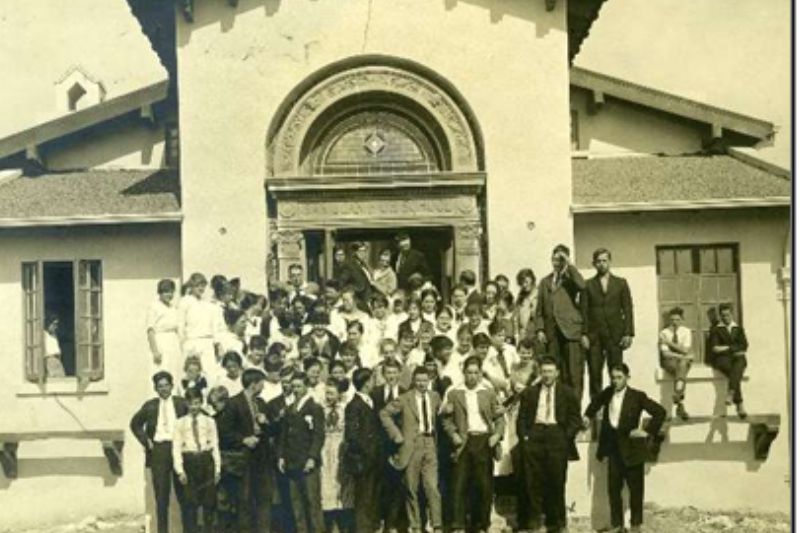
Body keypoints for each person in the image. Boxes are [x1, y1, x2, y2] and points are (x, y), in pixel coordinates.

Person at [583, 363, 666, 533]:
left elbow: (660, 412)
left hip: (632, 449)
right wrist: (587, 415)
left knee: (636, 490)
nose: (615, 381)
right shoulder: (608, 393)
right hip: (613, 448)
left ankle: (635, 526)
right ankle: (617, 525)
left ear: (627, 377)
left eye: (619, 377)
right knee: (613, 489)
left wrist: (646, 431)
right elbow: (595, 403)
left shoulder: (637, 396)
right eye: (613, 378)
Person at [516, 356, 582, 533]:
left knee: (557, 481)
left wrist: (564, 436)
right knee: (533, 481)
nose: (546, 375)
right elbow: (521, 419)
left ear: (557, 373)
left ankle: (558, 523)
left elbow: (576, 419)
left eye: (550, 371)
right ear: (540, 373)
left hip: (556, 436)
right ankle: (535, 522)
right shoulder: (530, 392)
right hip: (535, 436)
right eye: (544, 371)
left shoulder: (567, 393)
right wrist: (525, 438)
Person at [442, 355, 505, 533]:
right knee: (459, 484)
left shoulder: (488, 392)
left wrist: (497, 435)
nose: (472, 376)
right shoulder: (454, 393)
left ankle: (481, 524)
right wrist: (453, 434)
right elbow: (446, 420)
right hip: (463, 440)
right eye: (469, 372)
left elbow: (499, 418)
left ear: (480, 374)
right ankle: (458, 525)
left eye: (476, 372)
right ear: (464, 373)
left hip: (484, 440)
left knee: (484, 485)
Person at [380, 366, 443, 533]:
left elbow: (443, 415)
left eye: (425, 380)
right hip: (411, 446)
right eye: (418, 381)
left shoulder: (435, 397)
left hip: (430, 443)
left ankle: (436, 524)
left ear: (429, 381)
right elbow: (384, 414)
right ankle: (415, 525)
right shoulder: (404, 399)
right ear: (413, 381)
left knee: (432, 486)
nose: (422, 384)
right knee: (411, 487)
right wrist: (396, 435)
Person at [130, 371, 189, 533]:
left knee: (184, 494)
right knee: (162, 497)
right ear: (156, 388)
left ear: (172, 385)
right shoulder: (150, 405)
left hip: (178, 449)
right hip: (159, 451)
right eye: (160, 386)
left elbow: (195, 418)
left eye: (166, 385)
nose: (164, 389)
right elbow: (135, 424)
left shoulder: (181, 403)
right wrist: (146, 441)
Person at [220, 368, 274, 533]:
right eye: (261, 383)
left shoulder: (262, 403)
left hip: (262, 458)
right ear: (253, 384)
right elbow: (224, 432)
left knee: (264, 498)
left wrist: (266, 423)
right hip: (243, 458)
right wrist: (243, 440)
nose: (263, 387)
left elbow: (271, 432)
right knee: (244, 499)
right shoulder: (233, 403)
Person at [534, 244, 589, 404]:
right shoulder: (545, 281)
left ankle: (575, 411)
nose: (557, 262)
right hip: (552, 334)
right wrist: (540, 328)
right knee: (555, 373)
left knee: (574, 374)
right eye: (554, 259)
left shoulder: (571, 279)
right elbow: (540, 309)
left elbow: (582, 285)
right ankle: (559, 412)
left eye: (560, 259)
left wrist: (569, 264)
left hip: (571, 332)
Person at [278, 371, 326, 533]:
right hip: (292, 462)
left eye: (299, 386)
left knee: (312, 502)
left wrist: (312, 457)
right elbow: (283, 435)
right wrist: (281, 457)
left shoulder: (314, 408)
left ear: (306, 387)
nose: (296, 390)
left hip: (307, 462)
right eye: (293, 387)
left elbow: (319, 435)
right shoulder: (290, 408)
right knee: (296, 504)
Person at [584, 248, 635, 400]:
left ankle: (616, 405)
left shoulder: (620, 283)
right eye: (598, 261)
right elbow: (584, 311)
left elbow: (628, 308)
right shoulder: (588, 285)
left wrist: (628, 333)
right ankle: (596, 412)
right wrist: (584, 334)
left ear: (610, 262)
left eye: (604, 261)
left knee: (616, 373)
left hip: (615, 336)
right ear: (594, 264)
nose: (601, 264)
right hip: (594, 338)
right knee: (594, 374)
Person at [173, 387, 221, 533]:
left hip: (206, 462)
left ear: (201, 403)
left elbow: (215, 445)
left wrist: (217, 469)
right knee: (190, 504)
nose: (194, 407)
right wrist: (180, 471)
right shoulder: (180, 423)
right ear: (186, 404)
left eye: (197, 403)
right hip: (189, 462)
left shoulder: (209, 421)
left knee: (209, 503)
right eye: (191, 403)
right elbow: (175, 448)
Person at [370, 358, 407, 532]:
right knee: (380, 485)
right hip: (379, 446)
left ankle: (393, 523)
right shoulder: (375, 393)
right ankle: (380, 521)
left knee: (397, 485)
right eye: (388, 373)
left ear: (399, 374)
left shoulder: (406, 392)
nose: (391, 376)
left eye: (394, 373)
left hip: (398, 445)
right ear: (383, 374)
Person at [344, 368, 383, 533]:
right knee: (363, 497)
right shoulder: (354, 405)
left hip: (374, 458)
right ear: (366, 383)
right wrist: (367, 451)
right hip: (364, 459)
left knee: (372, 496)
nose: (375, 382)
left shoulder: (370, 400)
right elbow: (352, 436)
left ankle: (370, 527)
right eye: (372, 379)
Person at [320, 378, 353, 532]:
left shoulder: (345, 409)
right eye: (327, 393)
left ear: (340, 394)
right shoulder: (321, 408)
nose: (328, 396)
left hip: (341, 448)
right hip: (326, 449)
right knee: (327, 484)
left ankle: (343, 522)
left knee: (341, 484)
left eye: (332, 393)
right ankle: (329, 522)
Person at [708, 303, 749, 419]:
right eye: (723, 316)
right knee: (734, 373)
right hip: (723, 360)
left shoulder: (738, 328)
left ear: (732, 315)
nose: (726, 318)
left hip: (738, 358)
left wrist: (726, 348)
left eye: (727, 315)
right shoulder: (716, 330)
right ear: (720, 316)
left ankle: (731, 393)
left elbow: (744, 346)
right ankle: (739, 403)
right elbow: (715, 348)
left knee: (738, 366)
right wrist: (732, 348)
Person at [181, 273, 223, 379]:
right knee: (192, 376)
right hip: (192, 342)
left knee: (210, 374)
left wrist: (217, 343)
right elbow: (180, 325)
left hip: (207, 343)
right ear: (191, 286)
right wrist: (185, 344)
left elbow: (213, 325)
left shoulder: (207, 304)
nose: (201, 288)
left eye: (203, 285)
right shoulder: (185, 301)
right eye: (198, 285)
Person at [659, 307, 693, 421]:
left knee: (682, 365)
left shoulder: (686, 331)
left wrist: (669, 343)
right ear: (669, 320)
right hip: (670, 362)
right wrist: (682, 356)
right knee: (682, 366)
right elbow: (665, 355)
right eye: (672, 319)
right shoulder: (664, 333)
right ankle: (679, 402)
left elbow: (686, 350)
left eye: (677, 319)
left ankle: (678, 398)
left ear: (681, 319)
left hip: (682, 361)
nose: (675, 322)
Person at [147, 279, 182, 378]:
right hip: (161, 342)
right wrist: (155, 351)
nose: (169, 295)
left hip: (173, 342)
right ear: (160, 293)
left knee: (174, 370)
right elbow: (150, 331)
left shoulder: (173, 307)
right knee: (162, 370)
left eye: (171, 292)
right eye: (166, 292)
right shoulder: (154, 307)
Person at [338, 241, 374, 306]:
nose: (363, 254)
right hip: (357, 299)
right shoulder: (349, 265)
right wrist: (353, 290)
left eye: (365, 251)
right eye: (361, 251)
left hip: (368, 298)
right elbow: (342, 283)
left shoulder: (365, 265)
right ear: (355, 252)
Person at [515, 269, 537, 338]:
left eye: (526, 282)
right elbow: (516, 320)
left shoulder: (541, 295)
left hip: (537, 335)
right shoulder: (520, 299)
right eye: (521, 283)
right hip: (523, 336)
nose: (524, 285)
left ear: (532, 280)